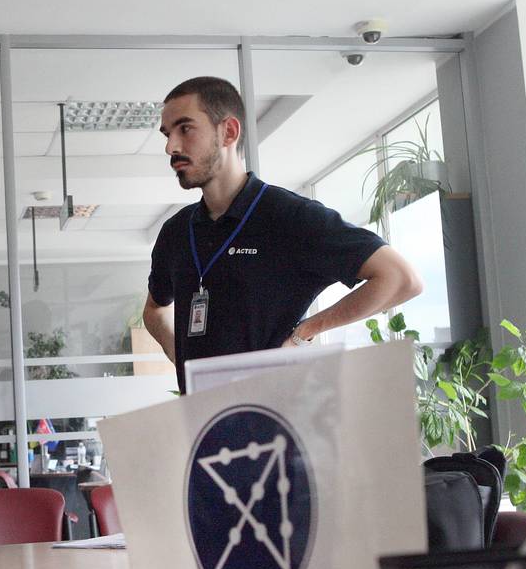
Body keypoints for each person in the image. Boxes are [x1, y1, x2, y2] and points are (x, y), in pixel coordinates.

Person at [144, 76, 423, 392]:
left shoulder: (289, 217)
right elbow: (154, 310)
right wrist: (185, 364)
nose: (171, 147)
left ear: (229, 132)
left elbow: (400, 279)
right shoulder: (176, 233)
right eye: (167, 135)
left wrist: (302, 334)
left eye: (185, 129)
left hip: (275, 423)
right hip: (205, 425)